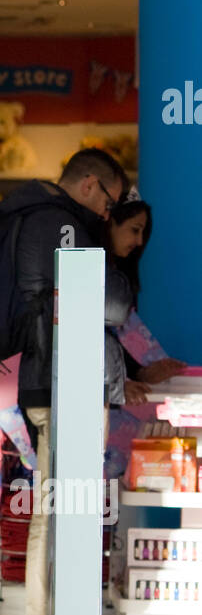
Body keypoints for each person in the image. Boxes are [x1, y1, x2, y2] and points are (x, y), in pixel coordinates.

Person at [0, 148, 133, 615]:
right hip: (66, 387)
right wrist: (113, 266)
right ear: (91, 185)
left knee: (53, 517)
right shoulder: (63, 226)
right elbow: (110, 304)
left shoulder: (30, 218)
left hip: (46, 384)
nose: (111, 213)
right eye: (113, 202)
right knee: (68, 516)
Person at [104, 193, 185, 478]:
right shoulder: (96, 275)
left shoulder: (117, 276)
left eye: (143, 233)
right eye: (134, 230)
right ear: (109, 222)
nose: (139, 242)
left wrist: (142, 372)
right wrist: (136, 374)